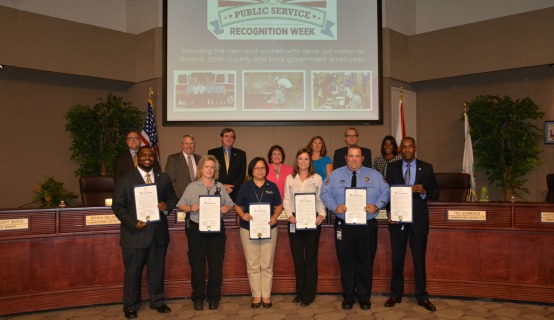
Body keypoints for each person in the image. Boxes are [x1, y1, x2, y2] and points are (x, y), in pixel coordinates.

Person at [320, 145, 389, 311]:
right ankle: (348, 296)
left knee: (365, 262)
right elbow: (324, 193)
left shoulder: (374, 175)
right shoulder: (335, 175)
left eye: (357, 156)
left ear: (362, 158)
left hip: (367, 226)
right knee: (346, 263)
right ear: (346, 158)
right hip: (344, 226)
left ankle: (364, 297)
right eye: (351, 156)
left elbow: (386, 192)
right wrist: (334, 206)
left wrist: (378, 206)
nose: (354, 159)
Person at [112, 146, 178, 319]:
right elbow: (118, 206)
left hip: (158, 233)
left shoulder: (162, 178)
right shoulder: (125, 179)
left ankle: (157, 301)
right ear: (137, 158)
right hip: (134, 234)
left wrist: (166, 206)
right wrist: (133, 223)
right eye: (144, 155)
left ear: (154, 157)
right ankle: (131, 305)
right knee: (133, 272)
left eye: (150, 155)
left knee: (157, 269)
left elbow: (172, 198)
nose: (147, 157)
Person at [384, 137, 439, 312]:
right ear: (400, 149)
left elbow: (435, 193)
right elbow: (388, 193)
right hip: (398, 220)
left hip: (418, 221)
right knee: (397, 258)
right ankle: (395, 294)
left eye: (410, 147)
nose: (407, 150)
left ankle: (422, 296)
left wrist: (423, 191)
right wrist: (389, 212)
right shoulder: (392, 167)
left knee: (418, 259)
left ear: (415, 148)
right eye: (404, 147)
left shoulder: (427, 167)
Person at [177, 155, 233, 311]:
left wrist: (226, 208)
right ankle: (198, 298)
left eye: (212, 167)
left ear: (215, 170)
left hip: (216, 230)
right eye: (206, 167)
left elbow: (230, 204)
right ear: (201, 168)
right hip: (197, 230)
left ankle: (214, 298)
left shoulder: (220, 186)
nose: (209, 170)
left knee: (216, 265)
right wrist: (191, 208)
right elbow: (181, 205)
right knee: (197, 264)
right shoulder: (192, 187)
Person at [234, 157, 283, 309]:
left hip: (269, 229)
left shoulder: (272, 186)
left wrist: (275, 217)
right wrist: (243, 215)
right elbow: (237, 205)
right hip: (248, 229)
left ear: (266, 170)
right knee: (253, 264)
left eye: (262, 168)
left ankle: (266, 295)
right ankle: (256, 295)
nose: (260, 170)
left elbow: (279, 205)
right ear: (251, 171)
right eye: (256, 168)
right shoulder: (245, 187)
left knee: (267, 263)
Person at [283, 148, 326, 306]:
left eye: (306, 159)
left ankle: (310, 293)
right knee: (298, 259)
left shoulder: (317, 178)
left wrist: (321, 215)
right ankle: (300, 292)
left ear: (310, 161)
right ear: (296, 160)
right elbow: (286, 200)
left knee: (311, 259)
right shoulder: (290, 178)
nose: (303, 162)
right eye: (300, 158)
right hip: (295, 221)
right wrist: (289, 215)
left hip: (313, 221)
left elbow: (321, 200)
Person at [208, 128, 247, 201]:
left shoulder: (241, 154)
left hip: (235, 192)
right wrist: (222, 186)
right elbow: (210, 173)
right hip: (216, 190)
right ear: (221, 138)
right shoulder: (212, 153)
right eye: (226, 136)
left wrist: (231, 187)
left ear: (234, 139)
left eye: (231, 136)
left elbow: (242, 175)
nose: (229, 139)